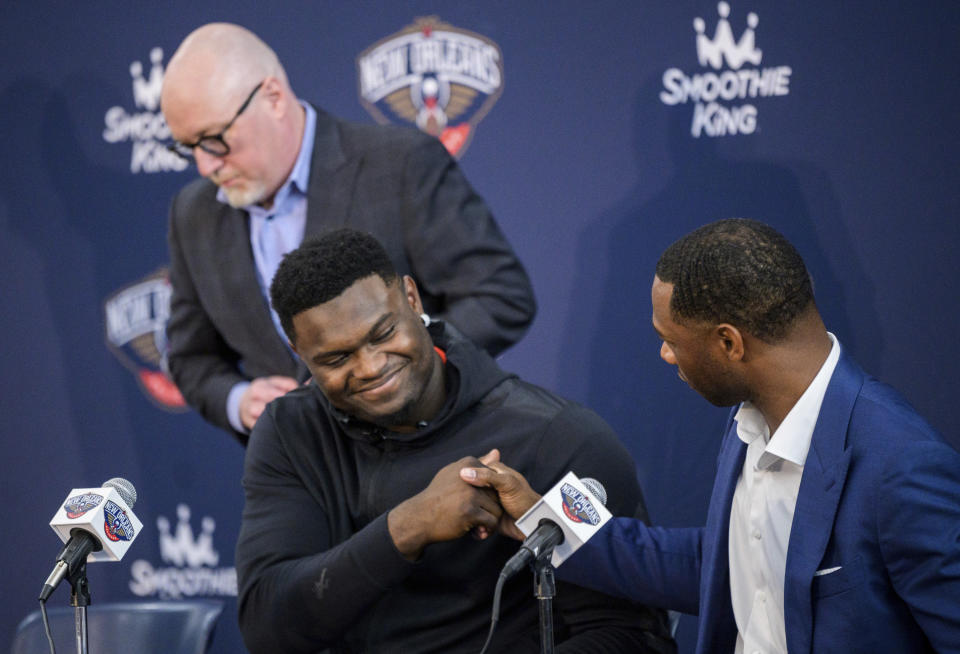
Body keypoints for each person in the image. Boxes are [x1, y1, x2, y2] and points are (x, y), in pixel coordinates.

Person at [461, 219, 960, 653]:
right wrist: (539, 513)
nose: (665, 356)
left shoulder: (901, 466)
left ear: (729, 343)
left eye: (670, 340)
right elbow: (725, 563)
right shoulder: (748, 422)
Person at [234, 229, 676, 654]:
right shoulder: (292, 430)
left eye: (384, 334)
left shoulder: (556, 439)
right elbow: (268, 629)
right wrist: (408, 526)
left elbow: (636, 637)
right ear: (299, 353)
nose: (369, 367)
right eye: (336, 358)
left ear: (411, 298)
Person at [160, 23, 536, 443]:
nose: (205, 166)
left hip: (430, 451)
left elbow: (500, 296)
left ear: (273, 98)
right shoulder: (193, 213)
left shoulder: (400, 165)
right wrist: (238, 399)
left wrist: (393, 361)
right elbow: (191, 356)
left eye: (214, 139)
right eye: (187, 146)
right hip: (305, 478)